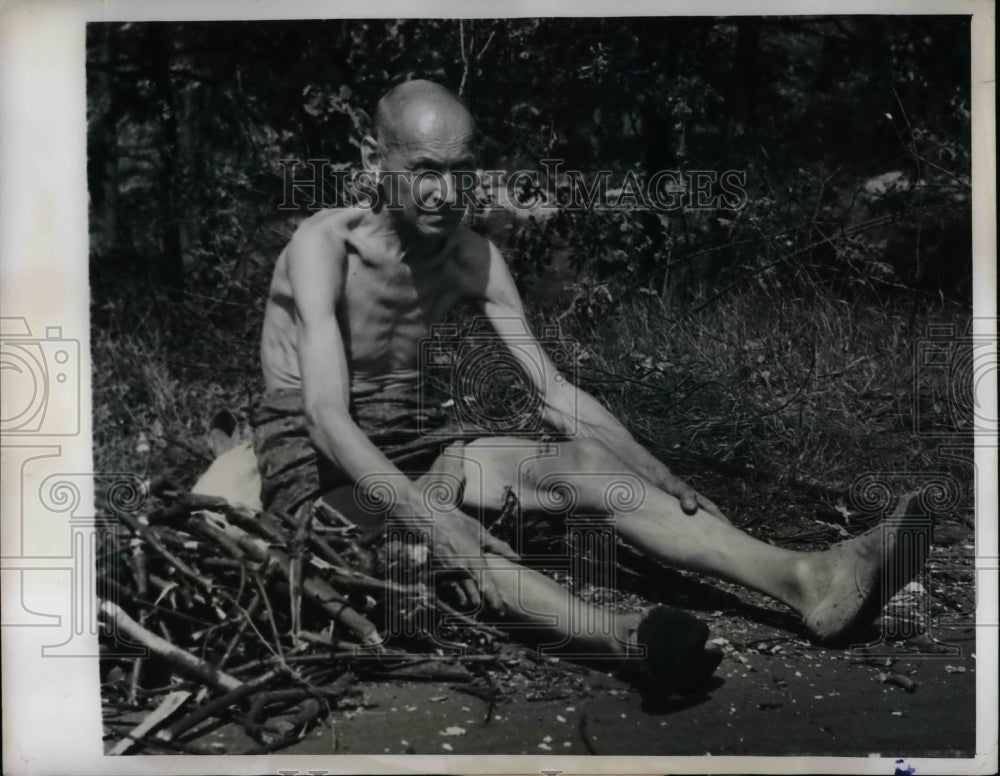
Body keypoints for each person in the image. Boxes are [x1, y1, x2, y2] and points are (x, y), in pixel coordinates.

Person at [249, 79, 926, 694]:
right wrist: (437, 517)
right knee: (442, 543)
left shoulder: (471, 256)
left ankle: (809, 580)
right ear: (377, 162)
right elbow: (326, 418)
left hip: (416, 439)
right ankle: (630, 645)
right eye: (424, 173)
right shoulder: (323, 248)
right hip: (322, 467)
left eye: (460, 174)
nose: (445, 194)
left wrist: (660, 473)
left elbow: (555, 394)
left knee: (586, 465)